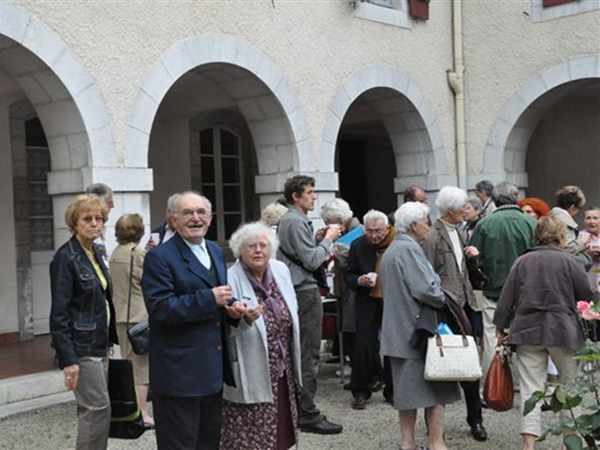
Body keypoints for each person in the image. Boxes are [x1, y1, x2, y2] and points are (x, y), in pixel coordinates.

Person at [142, 191, 246, 450]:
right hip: (178, 374)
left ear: (210, 218)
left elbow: (219, 296)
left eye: (201, 212)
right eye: (187, 213)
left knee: (208, 443)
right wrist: (209, 299)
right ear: (172, 220)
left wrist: (232, 308)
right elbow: (161, 309)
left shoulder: (214, 250)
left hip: (212, 370)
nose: (196, 218)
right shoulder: (159, 257)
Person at [494, 216, 593, 450]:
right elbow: (587, 295)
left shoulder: (522, 261)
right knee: (569, 387)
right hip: (564, 331)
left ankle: (528, 446)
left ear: (536, 236)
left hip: (527, 330)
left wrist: (500, 326)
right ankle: (571, 442)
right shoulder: (570, 261)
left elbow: (506, 298)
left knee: (530, 390)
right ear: (561, 235)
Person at [380, 202, 460, 450]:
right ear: (414, 225)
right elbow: (427, 290)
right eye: (426, 221)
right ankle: (436, 443)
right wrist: (440, 290)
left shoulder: (394, 249)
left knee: (407, 396)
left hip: (399, 333)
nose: (429, 226)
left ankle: (408, 444)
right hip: (417, 333)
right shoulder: (409, 250)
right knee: (435, 393)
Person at [220, 222, 302, 450]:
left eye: (263, 245)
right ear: (239, 251)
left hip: (282, 367)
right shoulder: (230, 277)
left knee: (282, 426)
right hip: (250, 366)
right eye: (251, 246)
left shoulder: (280, 270)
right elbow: (225, 325)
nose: (258, 251)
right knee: (249, 431)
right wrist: (242, 318)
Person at [49, 195, 117, 450]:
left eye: (99, 219)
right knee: (96, 408)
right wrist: (68, 359)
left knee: (100, 409)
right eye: (87, 219)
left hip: (101, 342)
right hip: (82, 347)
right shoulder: (65, 258)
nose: (94, 223)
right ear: (74, 223)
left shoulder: (96, 252)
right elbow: (59, 313)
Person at [276, 175, 343, 435]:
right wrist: (329, 239)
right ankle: (306, 412)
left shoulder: (293, 220)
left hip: (300, 289)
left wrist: (317, 240)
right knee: (308, 353)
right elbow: (313, 261)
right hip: (303, 291)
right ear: (296, 196)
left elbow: (303, 254)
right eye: (310, 192)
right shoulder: (294, 221)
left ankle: (300, 409)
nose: (315, 196)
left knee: (303, 352)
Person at [421, 186, 487, 442]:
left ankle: (475, 419)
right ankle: (435, 428)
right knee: (443, 362)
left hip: (465, 303)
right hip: (446, 306)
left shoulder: (459, 231)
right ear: (451, 210)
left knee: (470, 362)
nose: (466, 210)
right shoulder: (432, 236)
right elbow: (427, 273)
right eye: (462, 207)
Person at [470, 182, 537, 379]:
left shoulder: (484, 224)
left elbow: (474, 259)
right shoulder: (531, 223)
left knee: (491, 337)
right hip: (526, 291)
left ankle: (492, 384)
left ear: (494, 199)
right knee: (525, 337)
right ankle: (523, 383)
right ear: (516, 198)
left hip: (494, 290)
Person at [345, 209, 395, 409]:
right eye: (369, 231)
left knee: (392, 343)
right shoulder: (358, 245)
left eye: (378, 231)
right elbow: (349, 275)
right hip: (366, 297)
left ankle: (393, 390)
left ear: (387, 228)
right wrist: (359, 280)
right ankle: (360, 390)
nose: (374, 235)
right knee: (363, 343)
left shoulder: (397, 242)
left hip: (392, 298)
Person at [109, 213, 153, 426]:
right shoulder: (139, 254)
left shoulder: (116, 253)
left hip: (121, 315)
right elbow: (148, 282)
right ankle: (141, 412)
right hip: (139, 317)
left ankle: (131, 407)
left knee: (128, 364)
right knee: (140, 368)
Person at [319, 198, 360, 369]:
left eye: (328, 221)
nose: (326, 225)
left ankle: (357, 366)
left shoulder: (357, 232)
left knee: (354, 329)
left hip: (353, 289)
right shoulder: (348, 231)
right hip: (344, 287)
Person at [550, 185, 591, 265]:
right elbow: (566, 251)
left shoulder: (551, 217)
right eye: (580, 208)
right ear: (572, 207)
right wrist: (582, 242)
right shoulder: (564, 222)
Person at [578, 207, 600, 297]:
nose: (591, 221)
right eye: (588, 218)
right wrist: (586, 254)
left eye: (595, 218)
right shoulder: (578, 237)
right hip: (586, 285)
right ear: (584, 220)